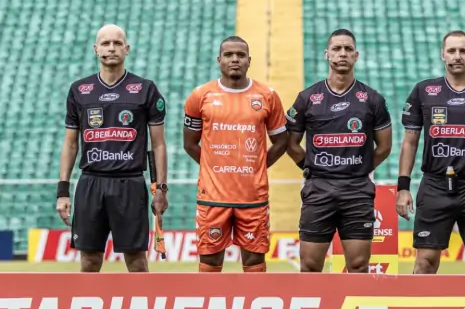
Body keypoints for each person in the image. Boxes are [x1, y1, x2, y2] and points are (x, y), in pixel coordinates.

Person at [396, 30, 465, 275]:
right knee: (425, 262)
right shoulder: (424, 91)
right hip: (435, 186)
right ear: (442, 55)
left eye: (462, 51)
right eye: (451, 51)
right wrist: (403, 187)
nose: (457, 56)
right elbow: (409, 142)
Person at [56, 24, 168, 273]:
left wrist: (160, 188)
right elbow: (70, 143)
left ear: (127, 49)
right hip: (91, 183)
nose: (111, 48)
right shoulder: (79, 90)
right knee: (89, 260)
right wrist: (62, 191)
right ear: (96, 50)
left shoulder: (145, 89)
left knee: (137, 261)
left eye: (117, 43)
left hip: (130, 183)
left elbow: (158, 144)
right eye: (105, 43)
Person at [285, 28, 392, 273]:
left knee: (358, 265)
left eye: (347, 49)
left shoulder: (372, 99)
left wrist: (358, 167)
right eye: (336, 49)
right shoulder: (307, 98)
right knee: (310, 266)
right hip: (318, 189)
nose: (342, 53)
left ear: (356, 55)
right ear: (327, 54)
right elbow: (291, 144)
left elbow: (384, 147)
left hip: (357, 191)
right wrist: (311, 167)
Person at [183, 36, 289, 273]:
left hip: (253, 198)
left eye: (240, 55)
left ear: (249, 61)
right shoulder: (200, 95)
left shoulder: (267, 95)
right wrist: (214, 166)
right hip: (212, 197)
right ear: (219, 60)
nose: (234, 59)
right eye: (229, 55)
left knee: (254, 265)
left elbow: (281, 142)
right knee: (209, 264)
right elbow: (189, 144)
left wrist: (257, 167)